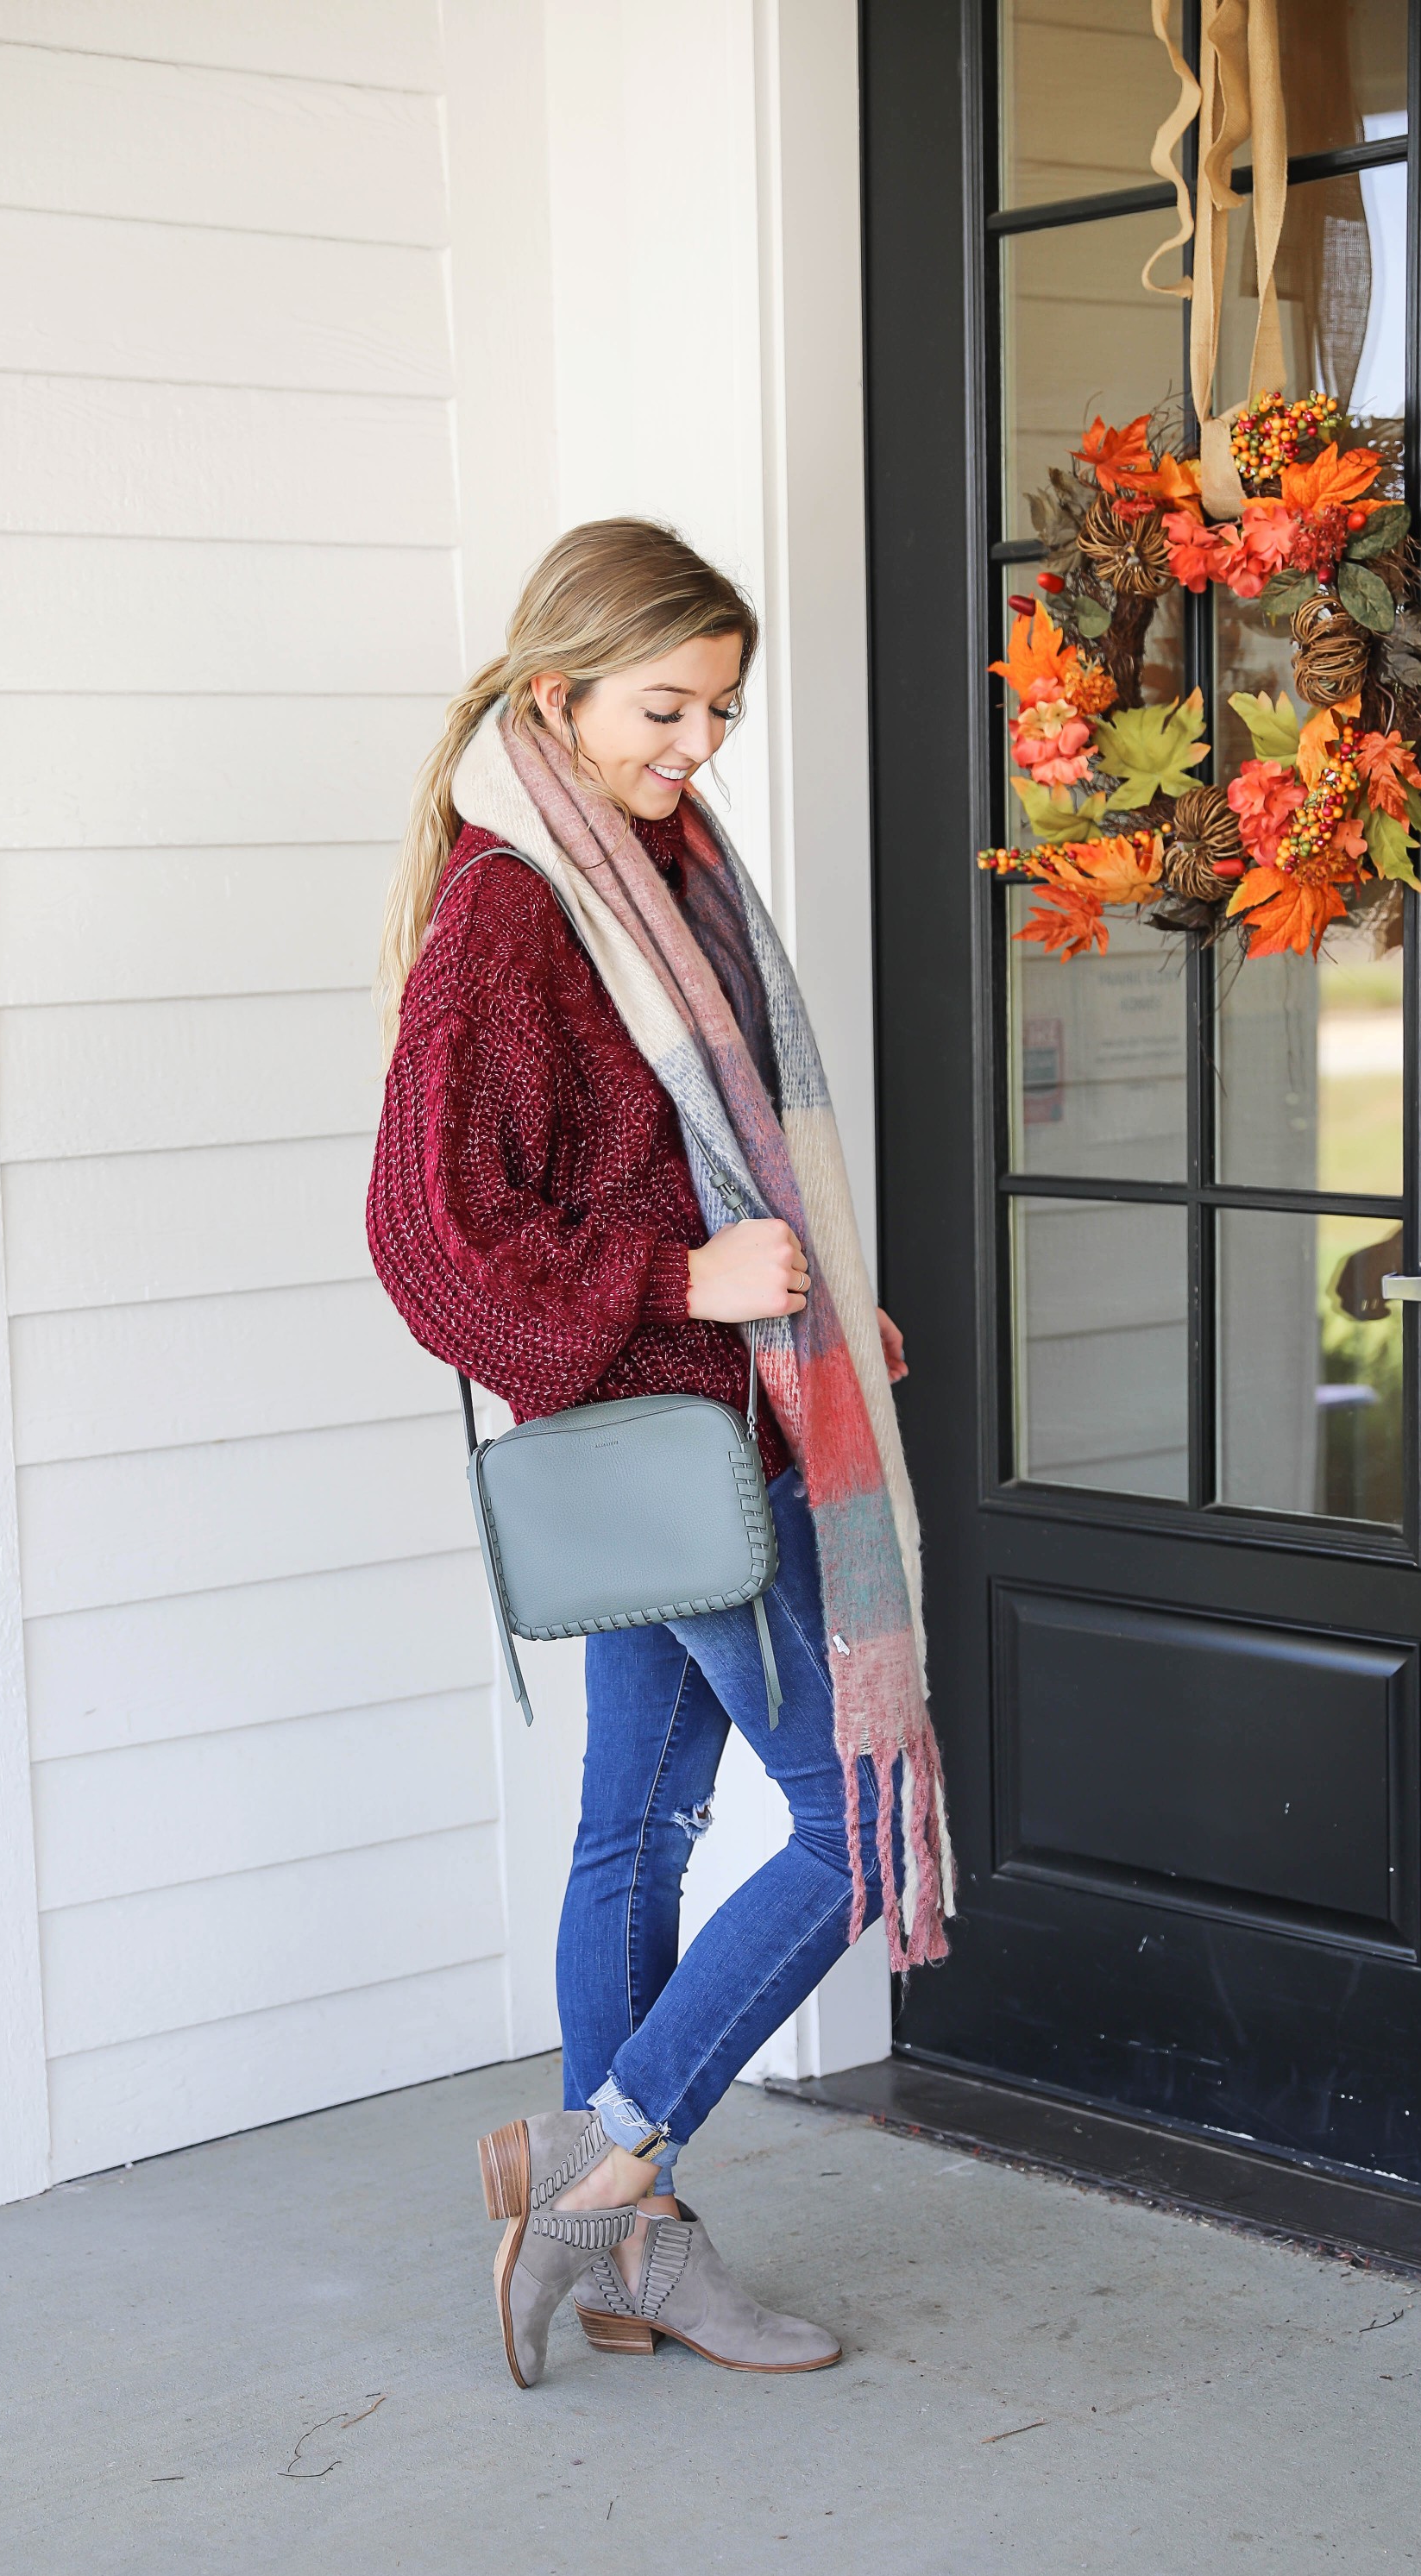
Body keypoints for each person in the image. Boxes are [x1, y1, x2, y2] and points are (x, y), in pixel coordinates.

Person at [368, 518, 952, 2390]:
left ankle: (617, 2234)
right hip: (670, 1438)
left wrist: (810, 1306)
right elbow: (436, 1245)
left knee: (637, 1830)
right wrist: (693, 1283)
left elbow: (707, 1164)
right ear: (558, 694)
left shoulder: (642, 867)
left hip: (696, 1418)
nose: (696, 748)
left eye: (717, 712)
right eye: (664, 708)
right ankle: (609, 2166)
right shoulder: (514, 903)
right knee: (853, 1836)